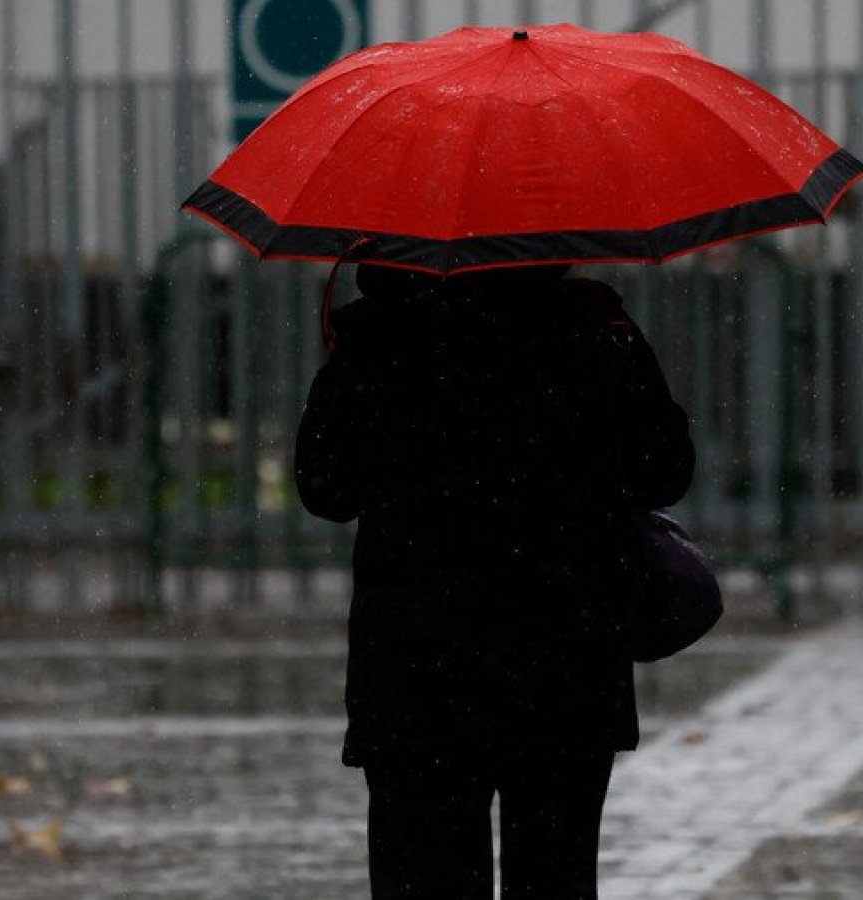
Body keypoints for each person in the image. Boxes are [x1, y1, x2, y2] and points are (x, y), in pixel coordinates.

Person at [294, 263, 694, 898]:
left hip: (418, 670)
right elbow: (664, 471)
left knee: (425, 875)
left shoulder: (380, 336)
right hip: (565, 660)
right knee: (556, 876)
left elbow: (326, 488)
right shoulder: (594, 324)